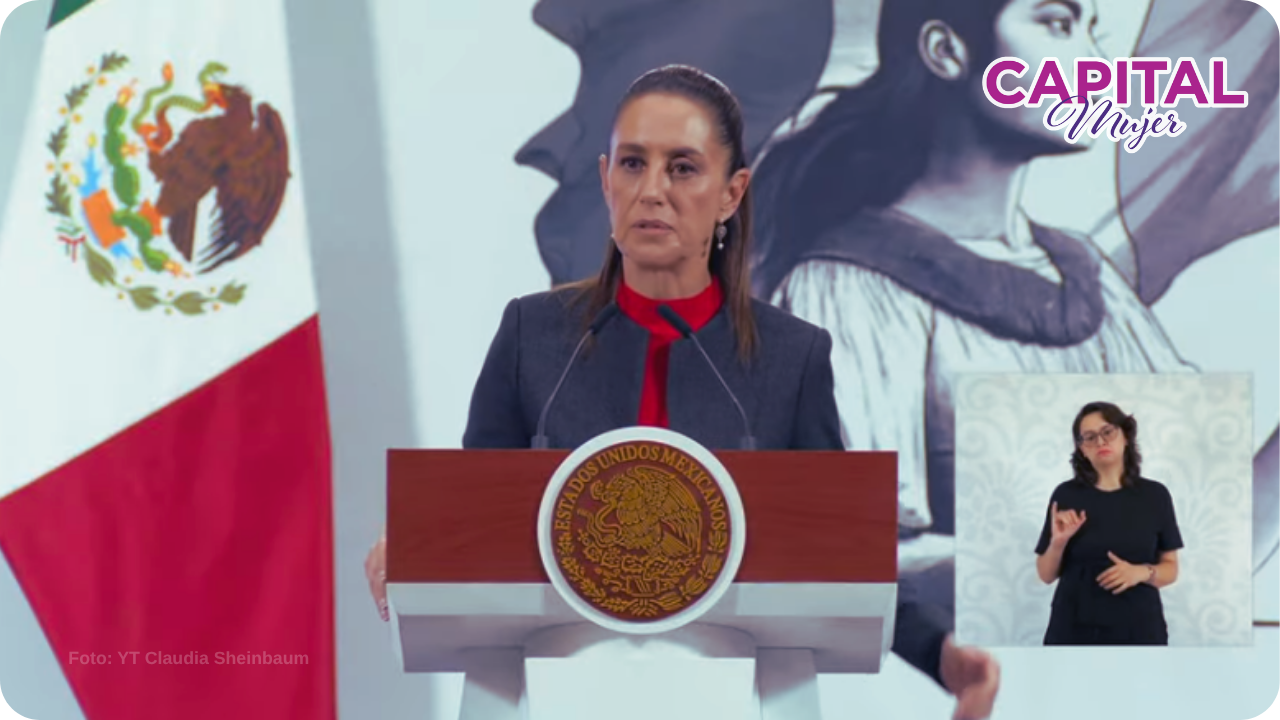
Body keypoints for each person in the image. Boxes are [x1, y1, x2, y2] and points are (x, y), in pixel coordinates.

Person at [366, 64, 1000, 719]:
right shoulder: (533, 335)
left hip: (731, 694)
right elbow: (474, 511)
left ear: (731, 193)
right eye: (633, 164)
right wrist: (415, 544)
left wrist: (940, 652)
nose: (652, 191)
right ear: (606, 179)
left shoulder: (791, 356)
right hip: (555, 691)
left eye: (683, 168)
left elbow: (843, 546)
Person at [750, 0, 1199, 623]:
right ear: (947, 51)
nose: (1095, 64)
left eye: (1091, 32)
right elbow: (845, 553)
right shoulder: (846, 286)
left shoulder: (1088, 275)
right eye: (1057, 24)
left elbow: (1207, 528)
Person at [1034, 401, 1183, 644]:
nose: (1100, 442)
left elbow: (1171, 568)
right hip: (1072, 629)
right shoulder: (1066, 495)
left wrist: (1141, 572)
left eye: (1108, 432)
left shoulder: (1155, 495)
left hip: (1139, 629)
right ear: (1082, 449)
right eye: (1090, 437)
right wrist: (1058, 542)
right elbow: (1045, 575)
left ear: (1126, 437)